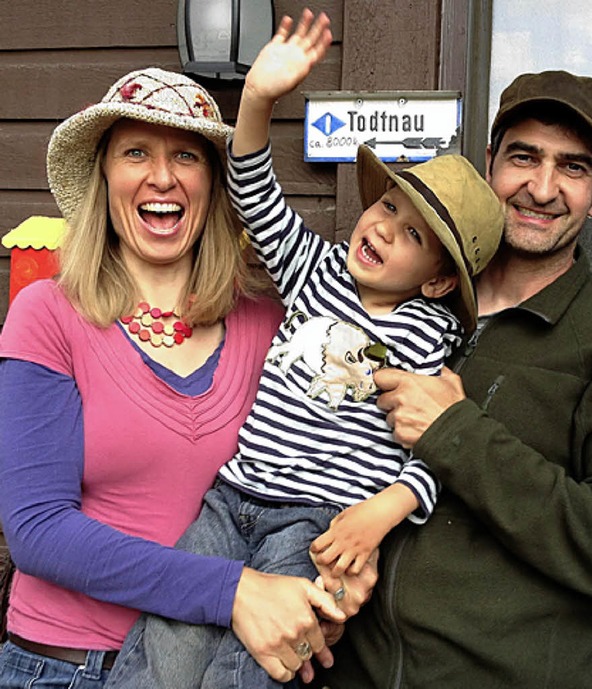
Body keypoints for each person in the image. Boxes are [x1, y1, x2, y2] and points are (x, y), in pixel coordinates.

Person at [104, 10, 504, 689]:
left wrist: (381, 513)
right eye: (387, 208)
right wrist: (258, 99)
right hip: (232, 497)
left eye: (411, 235)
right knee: (165, 645)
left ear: (437, 279)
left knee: (259, 657)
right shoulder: (316, 269)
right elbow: (254, 190)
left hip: (314, 525)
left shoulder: (430, 340)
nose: (382, 228)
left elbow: (441, 453)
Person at [0, 66, 369, 689]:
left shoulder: (270, 321)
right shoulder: (49, 314)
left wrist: (340, 577)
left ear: (214, 184)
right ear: (104, 178)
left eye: (186, 156)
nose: (162, 176)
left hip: (221, 667)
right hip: (69, 666)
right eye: (136, 152)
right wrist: (234, 592)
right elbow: (37, 531)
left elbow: (336, 457)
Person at [313, 70, 592, 688]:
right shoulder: (401, 294)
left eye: (573, 168)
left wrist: (458, 434)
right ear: (490, 163)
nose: (542, 188)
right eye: (524, 157)